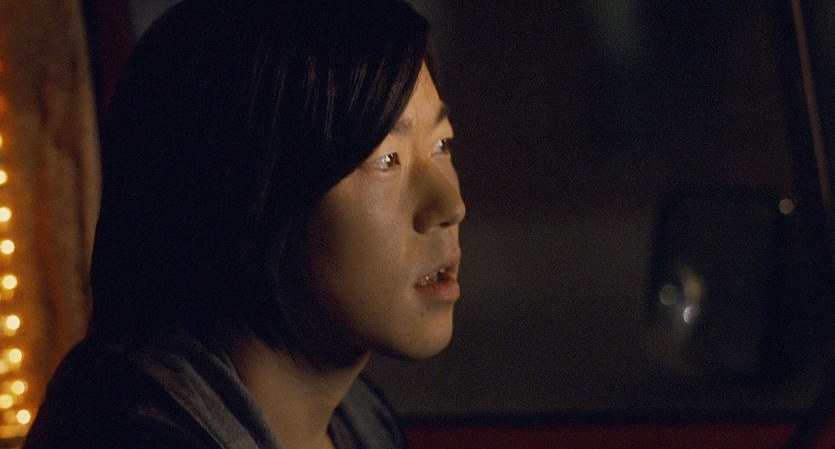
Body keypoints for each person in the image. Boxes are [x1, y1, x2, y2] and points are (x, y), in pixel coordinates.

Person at [23, 0, 465, 447]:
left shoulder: (363, 422)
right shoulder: (128, 433)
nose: (450, 205)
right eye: (386, 159)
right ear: (251, 193)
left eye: (441, 145)